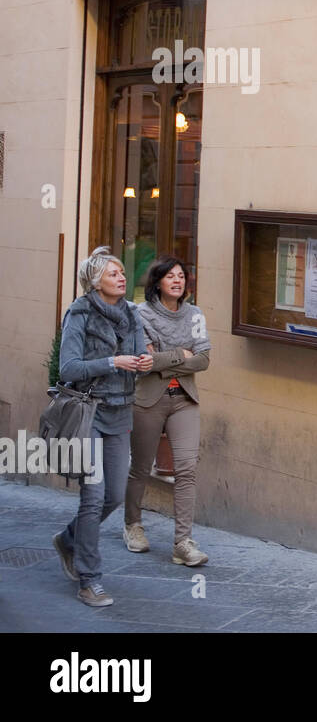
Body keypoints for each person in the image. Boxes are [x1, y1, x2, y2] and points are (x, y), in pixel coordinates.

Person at [52, 246, 152, 607]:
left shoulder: (131, 312)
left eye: (123, 272)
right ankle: (89, 579)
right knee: (93, 498)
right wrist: (112, 361)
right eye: (113, 274)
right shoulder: (79, 313)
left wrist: (144, 362)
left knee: (113, 495)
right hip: (90, 413)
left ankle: (69, 539)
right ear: (95, 282)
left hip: (121, 411)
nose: (122, 277)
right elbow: (69, 368)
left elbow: (142, 356)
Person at [124, 257, 211, 567]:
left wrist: (162, 359)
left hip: (184, 399)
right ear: (157, 282)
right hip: (148, 401)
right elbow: (144, 361)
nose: (178, 281)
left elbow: (203, 360)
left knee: (186, 469)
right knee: (142, 467)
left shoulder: (195, 314)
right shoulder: (140, 314)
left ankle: (183, 543)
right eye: (171, 276)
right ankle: (132, 524)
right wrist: (179, 355)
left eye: (182, 276)